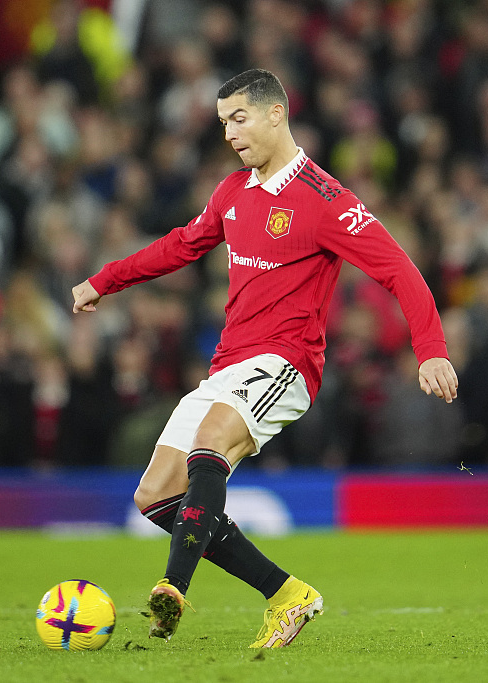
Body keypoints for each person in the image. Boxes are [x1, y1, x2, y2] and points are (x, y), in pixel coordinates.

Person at [71, 69, 458, 648]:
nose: (229, 132)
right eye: (223, 121)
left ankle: (172, 589)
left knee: (211, 442)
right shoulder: (233, 192)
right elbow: (180, 245)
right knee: (156, 497)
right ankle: (288, 595)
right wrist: (105, 280)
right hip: (229, 365)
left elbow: (399, 269)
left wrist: (429, 350)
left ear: (276, 114)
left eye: (239, 118)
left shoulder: (328, 201)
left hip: (286, 363)